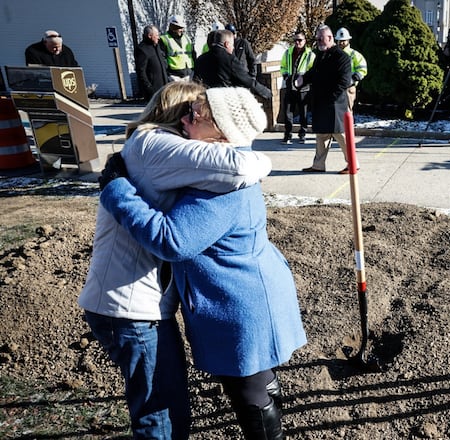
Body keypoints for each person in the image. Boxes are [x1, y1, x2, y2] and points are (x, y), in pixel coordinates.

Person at [99, 87, 306, 440]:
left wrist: (117, 189)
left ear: (223, 134)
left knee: (248, 391)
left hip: (237, 301)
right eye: (190, 110)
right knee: (258, 380)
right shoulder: (218, 165)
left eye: (197, 116)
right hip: (248, 289)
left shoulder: (219, 185)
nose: (185, 118)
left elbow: (172, 241)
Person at [296, 25, 354, 174]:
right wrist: (303, 79)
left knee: (340, 134)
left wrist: (331, 98)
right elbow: (314, 72)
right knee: (322, 135)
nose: (319, 42)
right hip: (321, 102)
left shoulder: (341, 57)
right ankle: (318, 165)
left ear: (330, 38)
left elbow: (344, 81)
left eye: (321, 39)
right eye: (317, 39)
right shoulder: (321, 55)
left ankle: (353, 163)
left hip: (335, 104)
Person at [194, 29, 272, 100]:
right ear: (227, 44)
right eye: (232, 45)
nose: (233, 48)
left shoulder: (200, 59)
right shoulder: (229, 60)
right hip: (226, 100)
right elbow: (247, 80)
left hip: (209, 100)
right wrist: (266, 92)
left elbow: (196, 81)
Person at [280, 31, 315, 145]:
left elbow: (312, 69)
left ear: (305, 41)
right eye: (295, 40)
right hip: (290, 85)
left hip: (304, 87)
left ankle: (302, 134)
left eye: (300, 40)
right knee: (287, 111)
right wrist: (286, 76)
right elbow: (283, 66)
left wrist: (305, 79)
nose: (297, 42)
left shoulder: (310, 54)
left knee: (303, 112)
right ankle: (288, 134)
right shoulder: (288, 52)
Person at [335, 27, 368, 113]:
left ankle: (348, 127)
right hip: (335, 88)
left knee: (347, 112)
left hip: (349, 88)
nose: (341, 43)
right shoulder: (333, 54)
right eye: (339, 41)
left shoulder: (354, 54)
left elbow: (362, 69)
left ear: (348, 40)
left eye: (344, 40)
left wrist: (353, 78)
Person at [134, 25, 169, 101]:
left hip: (164, 86)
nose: (158, 37)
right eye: (156, 35)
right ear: (150, 36)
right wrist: (149, 88)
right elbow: (141, 71)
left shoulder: (157, 47)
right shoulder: (142, 49)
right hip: (153, 90)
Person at [159, 15, 196, 81]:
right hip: (175, 76)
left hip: (189, 74)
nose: (182, 30)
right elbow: (162, 59)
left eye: (182, 28)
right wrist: (168, 74)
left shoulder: (187, 38)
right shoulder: (164, 39)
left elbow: (193, 55)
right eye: (179, 28)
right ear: (173, 27)